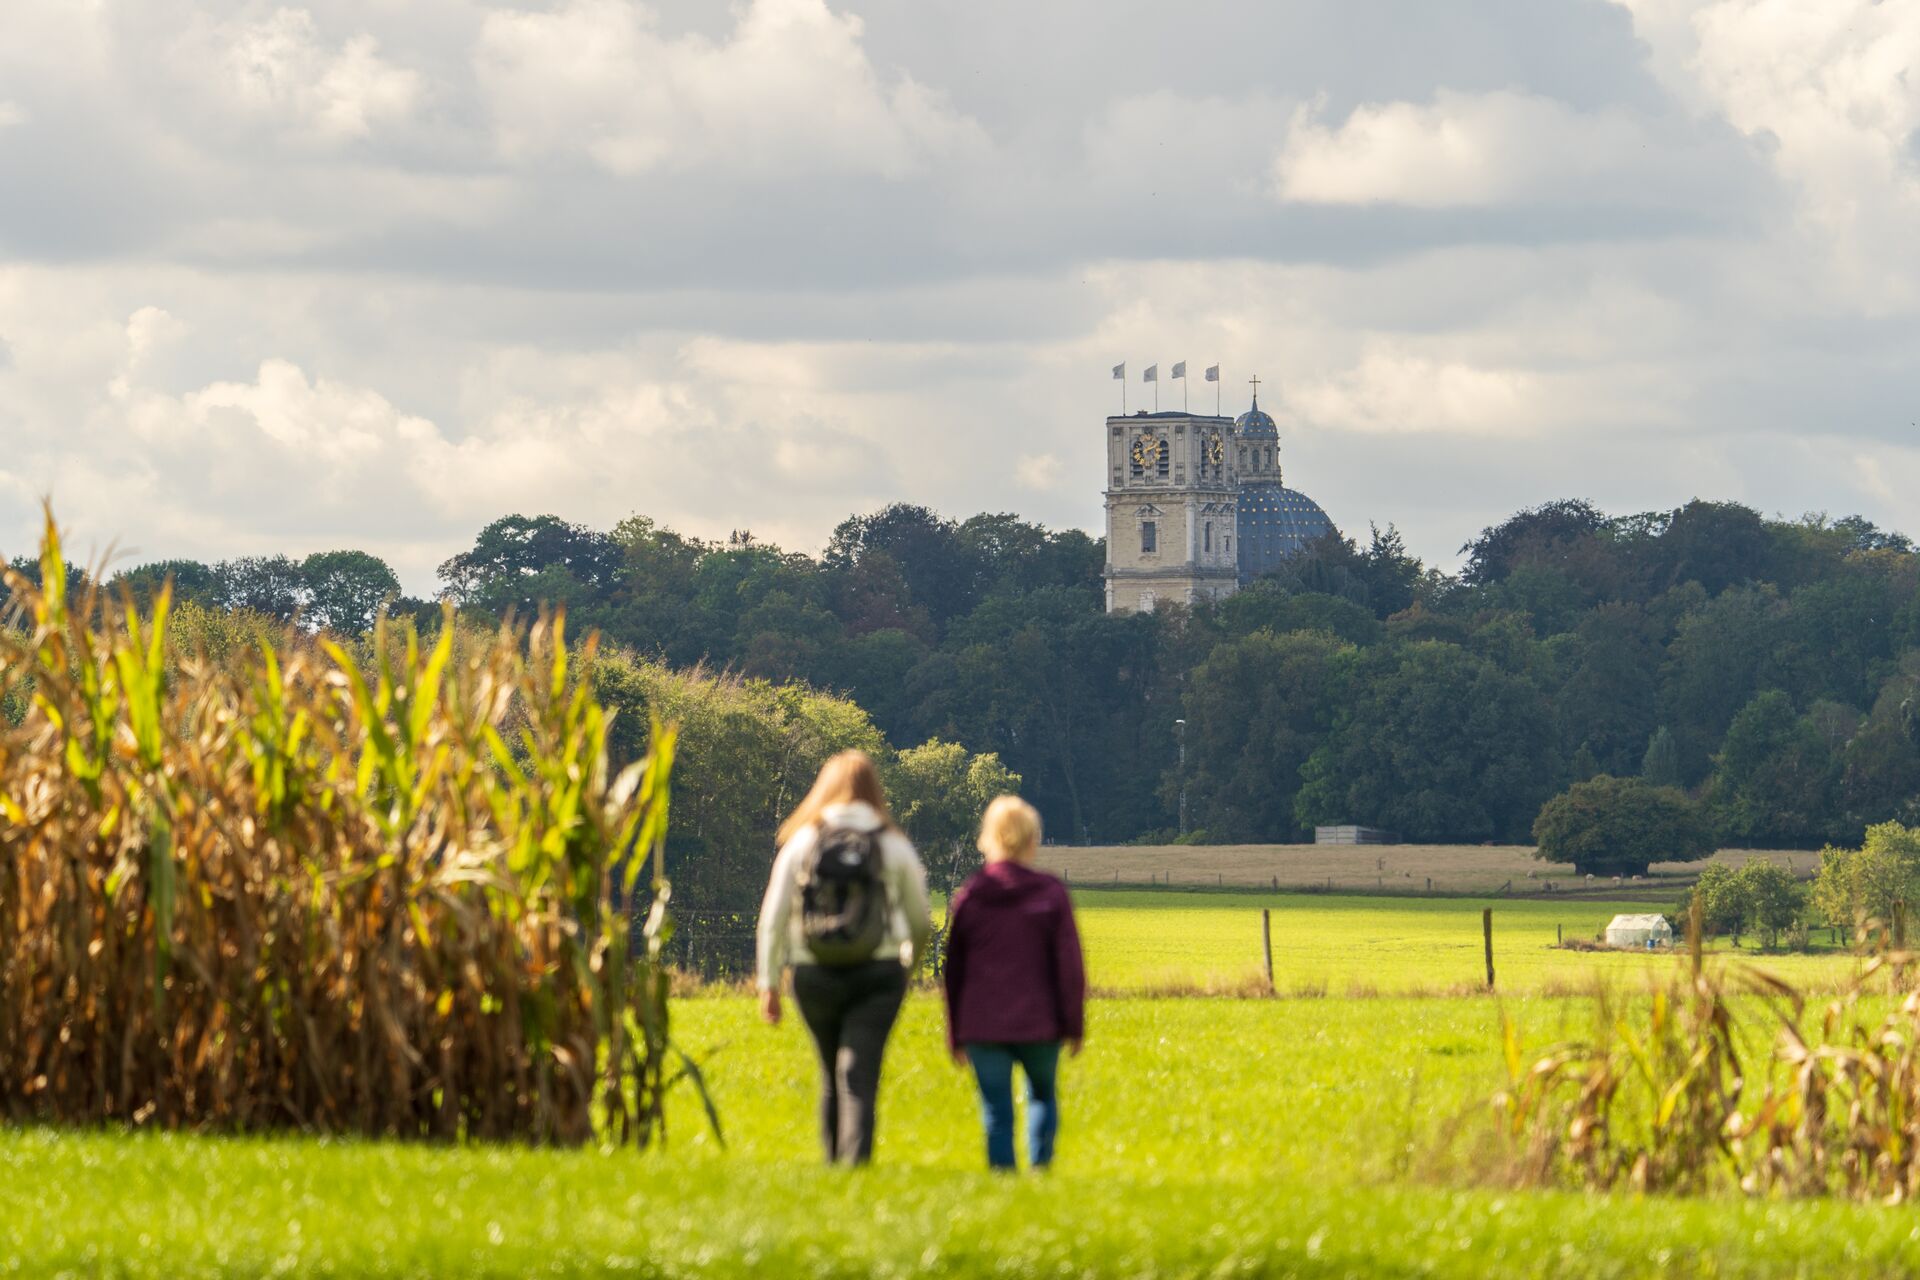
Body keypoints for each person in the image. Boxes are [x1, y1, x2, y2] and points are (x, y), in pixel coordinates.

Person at [756, 750, 931, 1166]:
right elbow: (920, 919)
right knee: (860, 1073)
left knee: (830, 1071)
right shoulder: (892, 843)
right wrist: (910, 962)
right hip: (879, 971)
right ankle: (856, 1168)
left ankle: (834, 1166)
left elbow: (773, 918)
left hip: (812, 971)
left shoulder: (802, 841)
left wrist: (768, 981)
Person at [942, 795, 1086, 1171]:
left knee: (996, 1112)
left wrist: (954, 1032)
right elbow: (1070, 968)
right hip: (1041, 1023)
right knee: (1041, 1096)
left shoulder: (970, 896)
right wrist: (1074, 1025)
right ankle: (1040, 1170)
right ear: (1031, 839)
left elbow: (953, 971)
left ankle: (1003, 1180)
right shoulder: (1051, 894)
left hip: (982, 1024)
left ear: (987, 837)